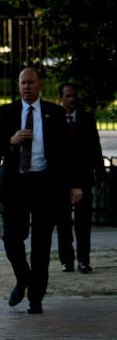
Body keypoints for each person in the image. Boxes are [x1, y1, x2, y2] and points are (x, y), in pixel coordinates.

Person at [0, 67, 82, 313]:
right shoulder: (7, 111)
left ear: (40, 85)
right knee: (12, 239)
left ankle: (36, 297)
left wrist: (74, 185)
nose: (26, 87)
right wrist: (11, 140)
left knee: (41, 244)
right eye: (22, 83)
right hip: (16, 185)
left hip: (45, 185)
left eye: (31, 83)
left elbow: (67, 153)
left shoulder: (55, 112)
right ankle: (23, 278)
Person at [57, 83, 104, 273]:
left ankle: (84, 260)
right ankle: (67, 260)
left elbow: (96, 148)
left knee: (84, 222)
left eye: (74, 95)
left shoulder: (87, 118)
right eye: (68, 96)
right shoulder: (54, 119)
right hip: (61, 180)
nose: (72, 99)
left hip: (83, 177)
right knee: (63, 223)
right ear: (61, 98)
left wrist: (100, 175)